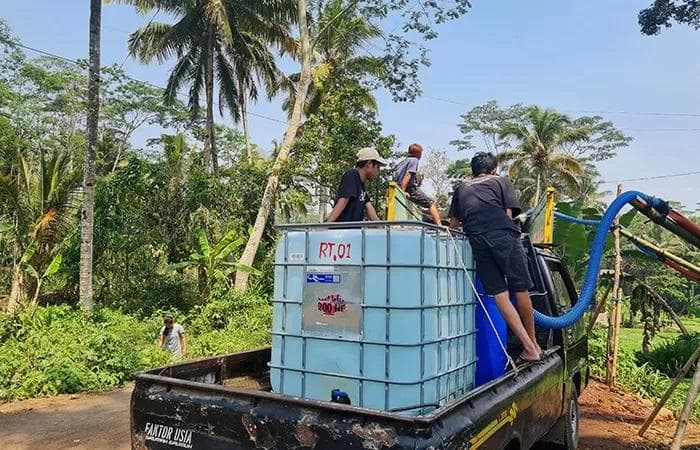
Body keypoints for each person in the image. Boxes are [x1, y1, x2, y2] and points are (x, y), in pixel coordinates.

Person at [449, 152, 542, 363]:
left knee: (499, 293)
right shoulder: (501, 181)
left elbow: (453, 225)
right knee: (520, 288)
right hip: (503, 234)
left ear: (473, 171)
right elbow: (508, 215)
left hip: (477, 240)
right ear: (493, 170)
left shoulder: (461, 188)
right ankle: (533, 345)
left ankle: (529, 347)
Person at [327, 147, 387, 222]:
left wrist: (381, 228)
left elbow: (370, 209)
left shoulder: (361, 185)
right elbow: (343, 201)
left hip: (354, 231)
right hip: (342, 231)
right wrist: (326, 226)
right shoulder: (352, 175)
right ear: (369, 164)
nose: (378, 172)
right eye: (377, 167)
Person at [393, 144, 443, 225]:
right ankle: (440, 227)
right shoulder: (414, 160)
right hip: (408, 188)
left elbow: (399, 176)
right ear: (418, 153)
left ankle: (427, 213)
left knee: (422, 204)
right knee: (431, 203)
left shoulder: (402, 162)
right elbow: (408, 175)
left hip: (398, 187)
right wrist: (402, 192)